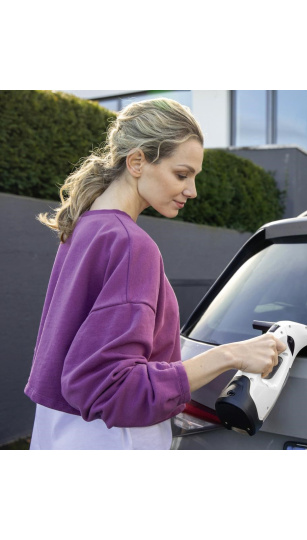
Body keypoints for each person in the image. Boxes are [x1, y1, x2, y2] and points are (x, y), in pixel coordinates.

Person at [24, 98, 286, 450]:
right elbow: (113, 387)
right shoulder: (131, 244)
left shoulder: (82, 228)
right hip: (112, 439)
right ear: (136, 162)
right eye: (182, 174)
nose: (192, 191)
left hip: (57, 431)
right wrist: (230, 355)